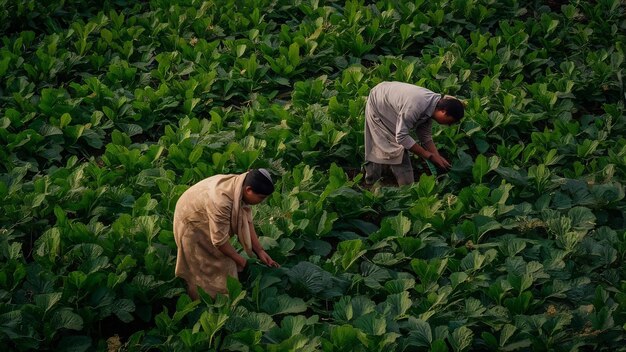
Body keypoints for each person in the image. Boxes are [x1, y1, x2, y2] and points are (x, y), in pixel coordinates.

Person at [173, 169, 280, 299]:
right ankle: (203, 303)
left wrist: (260, 250)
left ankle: (221, 299)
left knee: (226, 263)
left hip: (205, 212)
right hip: (191, 222)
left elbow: (246, 220)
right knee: (204, 267)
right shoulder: (221, 200)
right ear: (249, 190)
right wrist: (241, 261)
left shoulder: (241, 184)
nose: (262, 201)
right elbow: (219, 241)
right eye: (261, 197)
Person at [363, 81, 465, 185]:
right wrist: (428, 155)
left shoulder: (432, 105)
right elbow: (401, 137)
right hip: (379, 101)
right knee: (393, 147)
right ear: (443, 111)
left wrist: (437, 156)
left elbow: (425, 136)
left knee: (390, 145)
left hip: (390, 98)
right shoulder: (416, 105)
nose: (448, 125)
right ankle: (376, 184)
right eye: (449, 121)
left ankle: (384, 180)